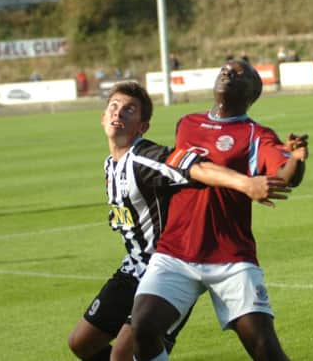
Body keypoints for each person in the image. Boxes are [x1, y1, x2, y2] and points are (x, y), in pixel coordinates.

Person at [67, 81, 288, 361]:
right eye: (113, 107)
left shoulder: (146, 159)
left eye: (129, 110)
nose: (118, 114)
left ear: (142, 126)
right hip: (132, 268)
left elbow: (196, 168)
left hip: (167, 268)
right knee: (81, 343)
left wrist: (246, 184)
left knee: (122, 354)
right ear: (102, 117)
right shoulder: (110, 164)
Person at [130, 60, 309, 361]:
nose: (227, 72)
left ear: (252, 92)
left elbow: (284, 175)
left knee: (265, 349)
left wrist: (297, 159)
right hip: (176, 251)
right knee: (144, 327)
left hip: (230, 256)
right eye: (225, 69)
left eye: (239, 73)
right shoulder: (186, 124)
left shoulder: (256, 134)